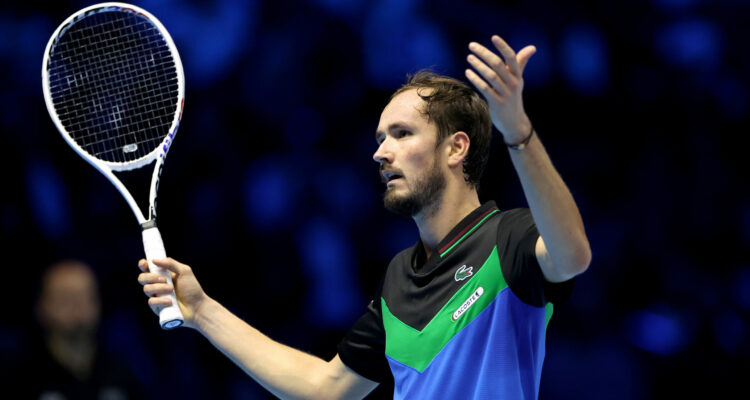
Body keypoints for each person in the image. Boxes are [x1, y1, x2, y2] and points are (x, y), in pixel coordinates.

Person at [137, 35, 591, 399]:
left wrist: (518, 133)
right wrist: (201, 309)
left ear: (456, 148)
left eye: (402, 133)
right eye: (380, 137)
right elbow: (325, 389)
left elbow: (571, 255)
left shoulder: (506, 241)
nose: (381, 152)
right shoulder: (398, 279)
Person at [23, 259, 141, 400]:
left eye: (86, 296)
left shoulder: (124, 373)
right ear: (42, 306)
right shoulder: (20, 377)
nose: (77, 306)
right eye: (65, 297)